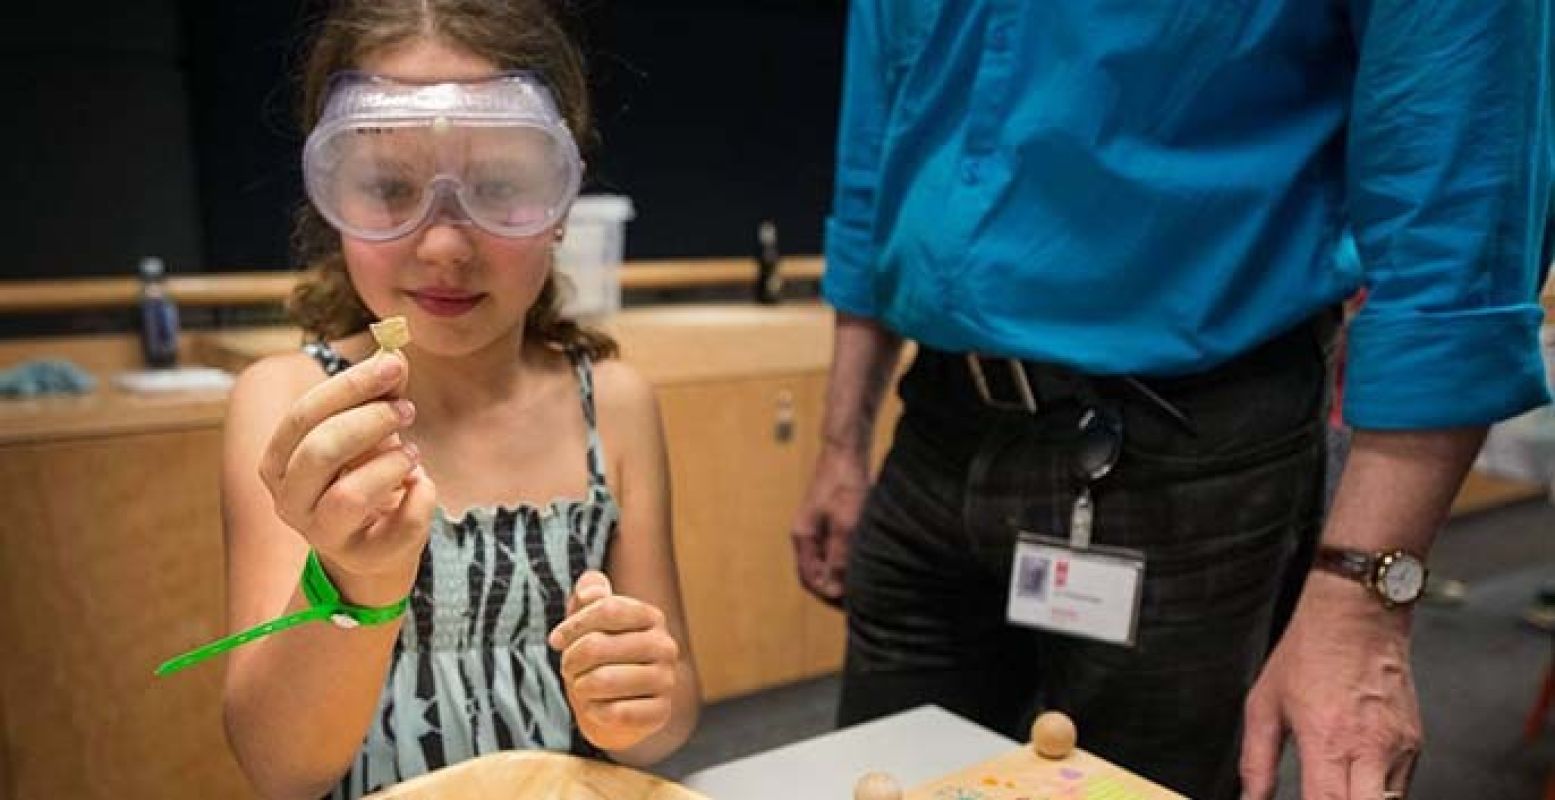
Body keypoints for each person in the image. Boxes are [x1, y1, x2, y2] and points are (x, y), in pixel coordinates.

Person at [792, 3, 1551, 799]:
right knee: (883, 778)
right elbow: (874, 159)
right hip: (936, 429)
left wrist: (1364, 598)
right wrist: (841, 443)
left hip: (1186, 451)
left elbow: (1458, 223)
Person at [217, 2, 698, 796]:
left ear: (561, 193)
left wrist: (635, 706)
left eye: (502, 186)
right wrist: (355, 577)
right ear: (330, 192)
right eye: (388, 188)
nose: (444, 245)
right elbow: (282, 769)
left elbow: (670, 720)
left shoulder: (614, 405)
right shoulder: (292, 409)